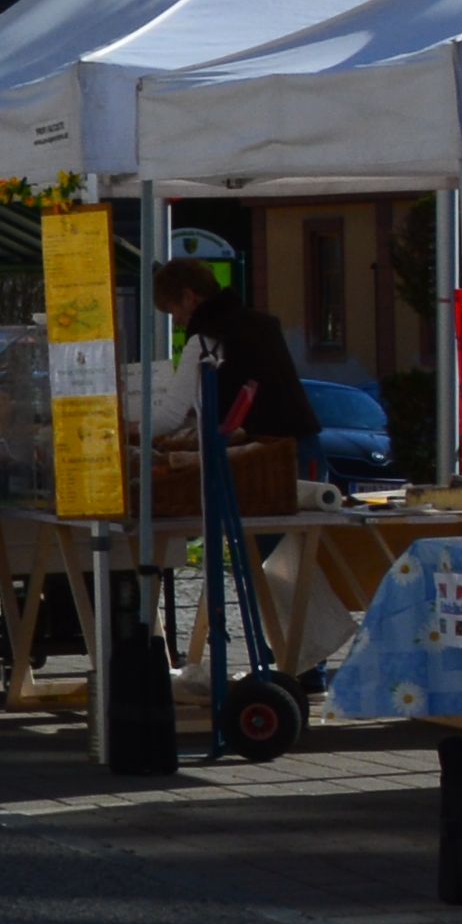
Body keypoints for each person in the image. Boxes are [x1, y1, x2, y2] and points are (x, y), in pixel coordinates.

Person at [160, 258, 319, 725]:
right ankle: (307, 663)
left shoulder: (205, 338)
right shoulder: (261, 324)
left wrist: (127, 429)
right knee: (293, 555)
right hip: (303, 444)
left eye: (174, 310)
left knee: (265, 558)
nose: (177, 320)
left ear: (190, 296)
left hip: (262, 459)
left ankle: (298, 664)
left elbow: (170, 416)